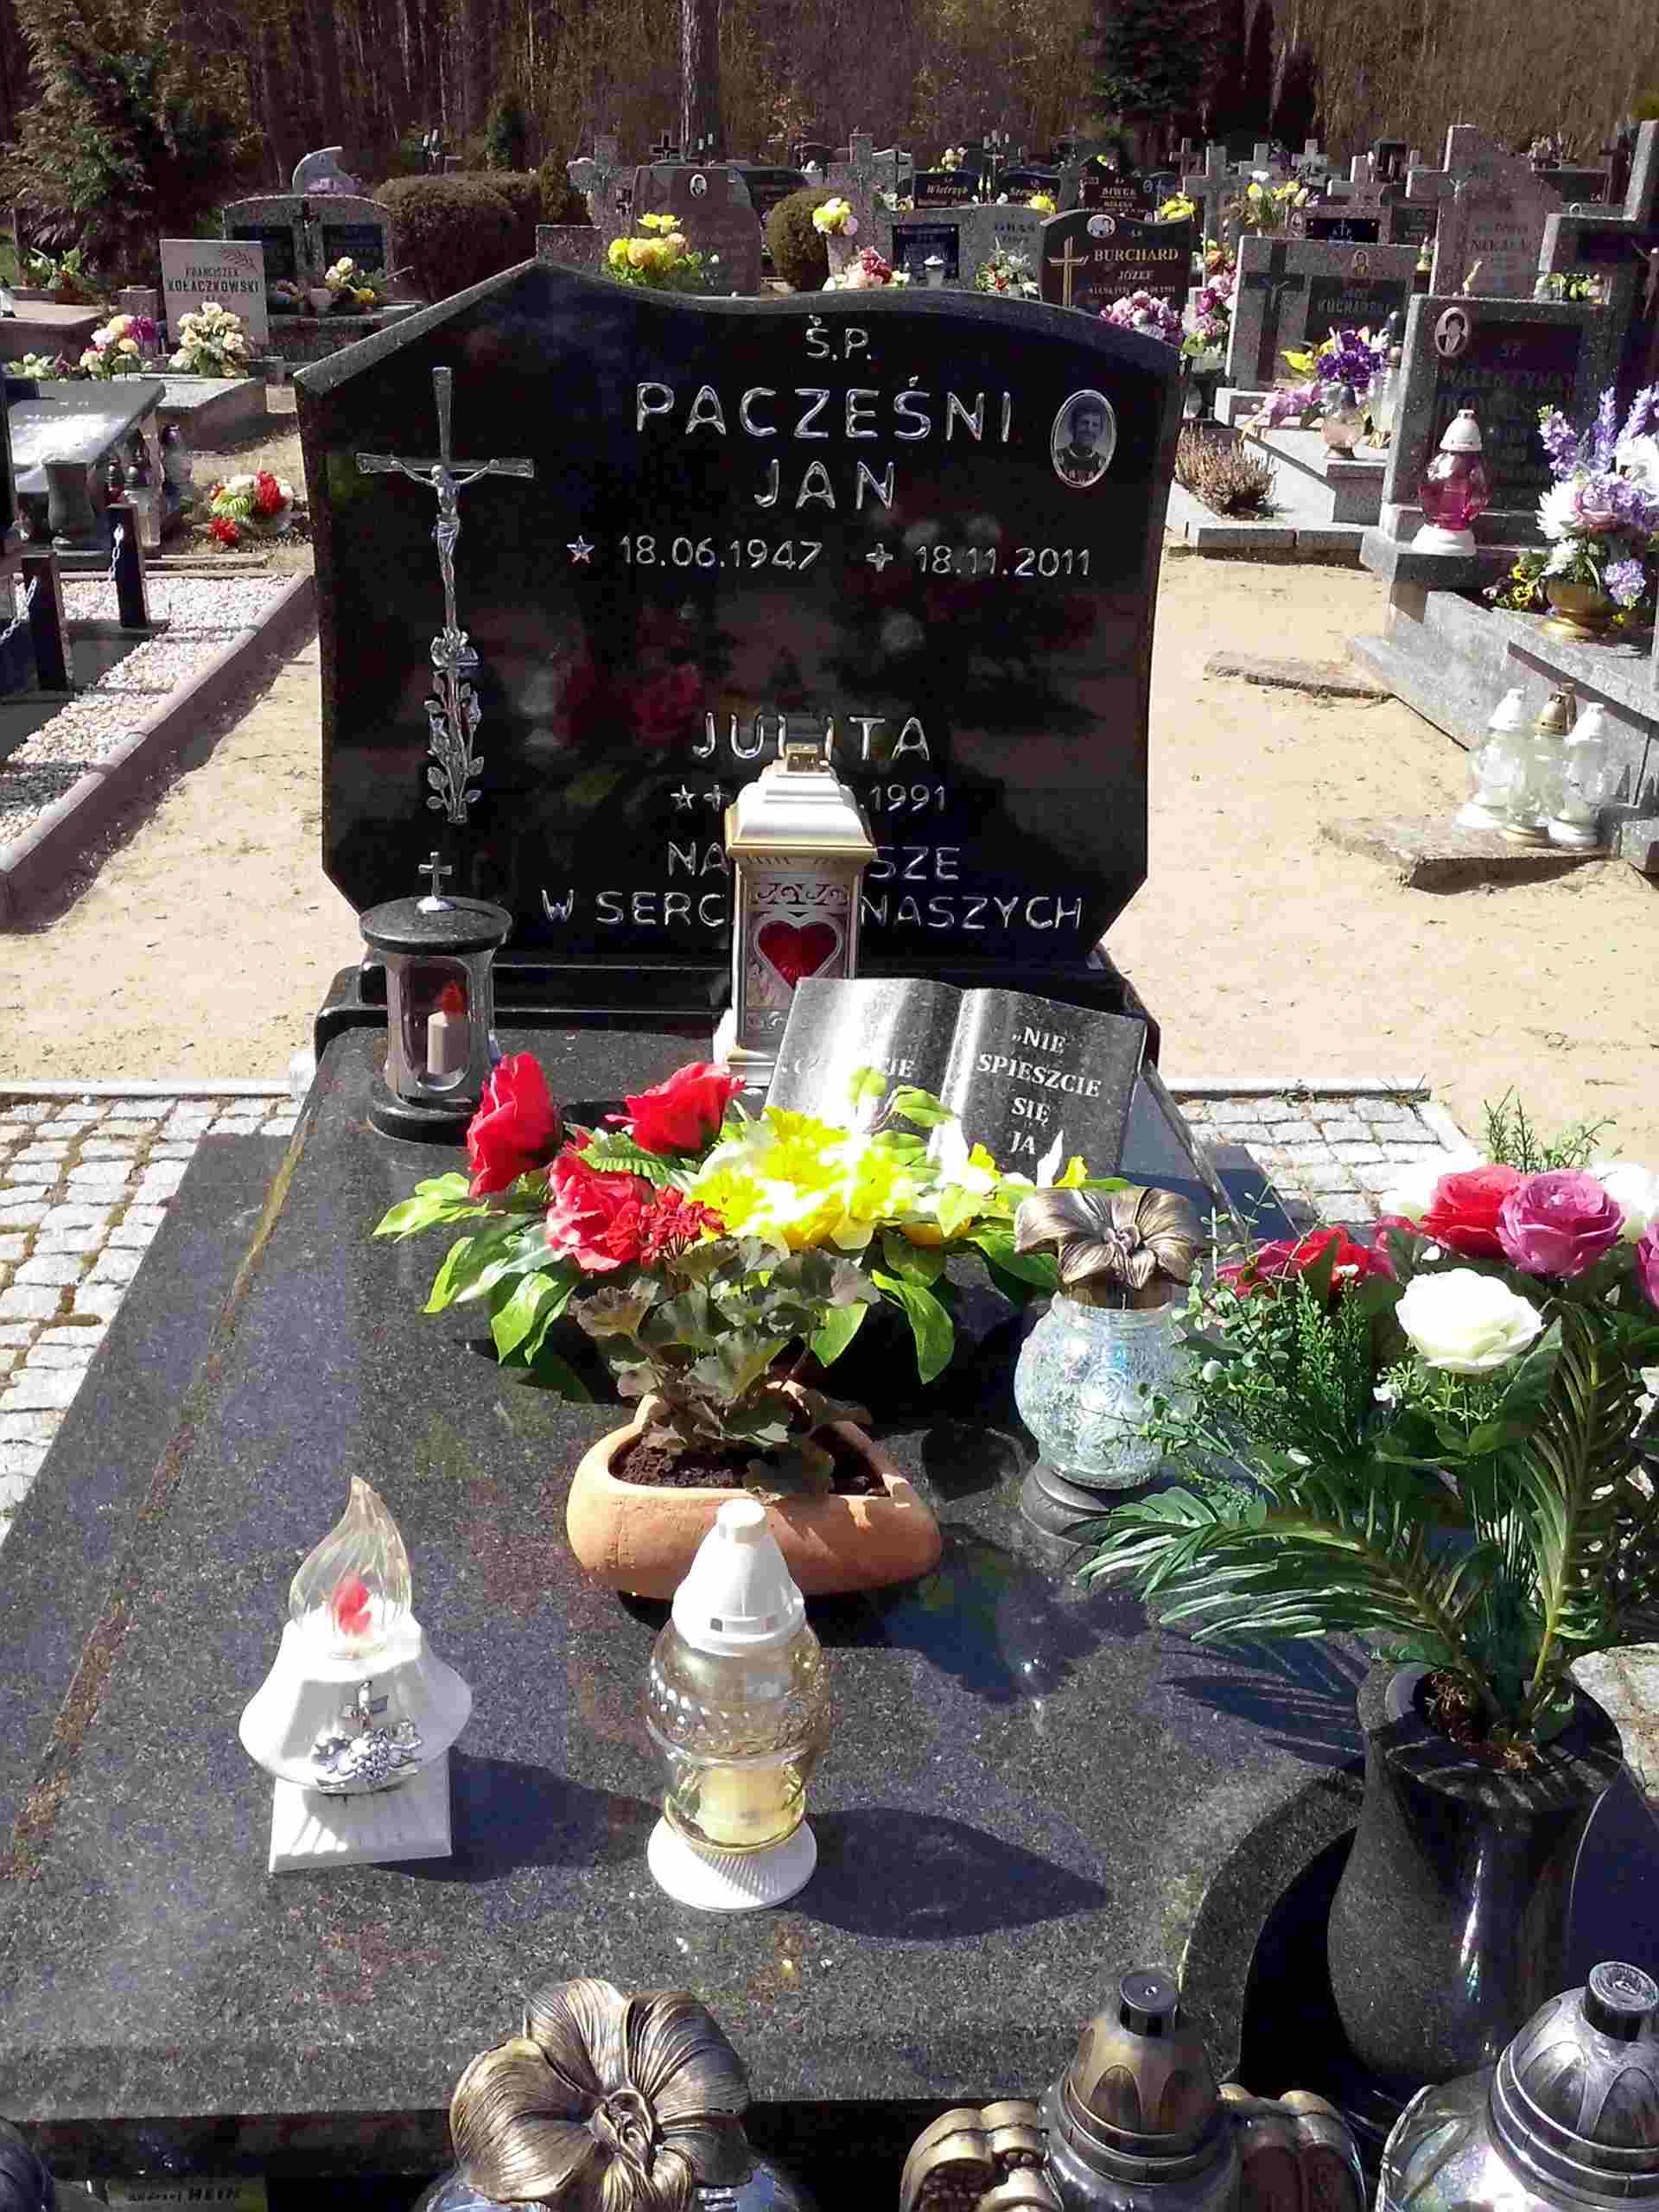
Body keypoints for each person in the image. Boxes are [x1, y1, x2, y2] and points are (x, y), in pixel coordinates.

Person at [1053, 393, 1113, 486]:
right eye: (1084, 423)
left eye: (1095, 425)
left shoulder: (1102, 464)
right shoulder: (1058, 458)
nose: (1089, 429)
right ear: (1072, 426)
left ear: (1100, 431)